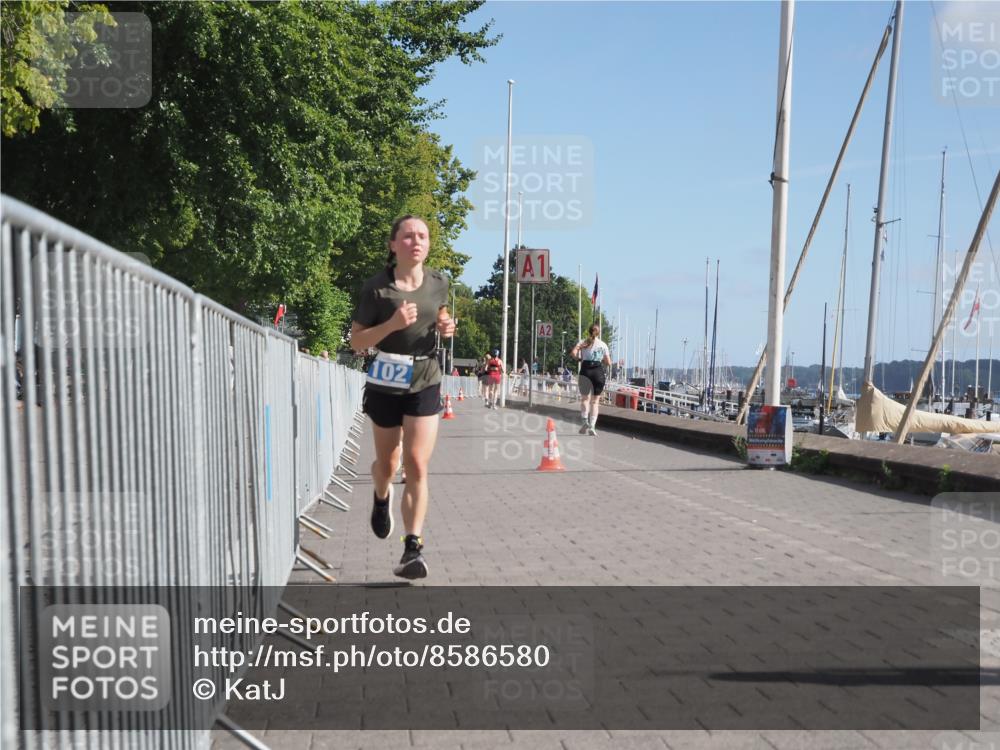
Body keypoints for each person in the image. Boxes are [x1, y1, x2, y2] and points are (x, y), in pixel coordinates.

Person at [350, 215, 456, 579]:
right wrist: (392, 325)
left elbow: (439, 314)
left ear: (428, 245)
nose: (416, 241)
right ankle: (381, 497)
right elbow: (357, 342)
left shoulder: (439, 282)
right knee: (388, 465)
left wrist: (446, 324)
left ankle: (413, 548)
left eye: (422, 236)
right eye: (408, 236)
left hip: (425, 375)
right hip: (385, 377)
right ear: (394, 245)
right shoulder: (377, 289)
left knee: (416, 463)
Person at [570, 323, 612, 435]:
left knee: (585, 399)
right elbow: (608, 362)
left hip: (585, 371)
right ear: (599, 332)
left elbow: (573, 353)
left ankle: (584, 421)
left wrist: (579, 359)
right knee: (595, 401)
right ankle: (592, 426)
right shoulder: (603, 345)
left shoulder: (583, 342)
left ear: (589, 331)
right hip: (598, 372)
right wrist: (600, 359)